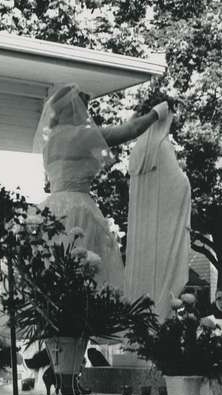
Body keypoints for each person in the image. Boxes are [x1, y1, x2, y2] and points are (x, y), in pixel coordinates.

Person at [34, 84, 168, 289]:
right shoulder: (81, 135)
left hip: (52, 210)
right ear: (74, 109)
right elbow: (130, 131)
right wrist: (155, 114)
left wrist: (134, 116)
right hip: (78, 207)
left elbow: (116, 135)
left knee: (55, 266)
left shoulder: (50, 141)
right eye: (84, 107)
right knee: (87, 267)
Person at [124, 102, 191, 320]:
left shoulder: (138, 150)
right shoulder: (162, 145)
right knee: (162, 276)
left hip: (144, 230)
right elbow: (177, 184)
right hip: (161, 229)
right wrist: (187, 182)